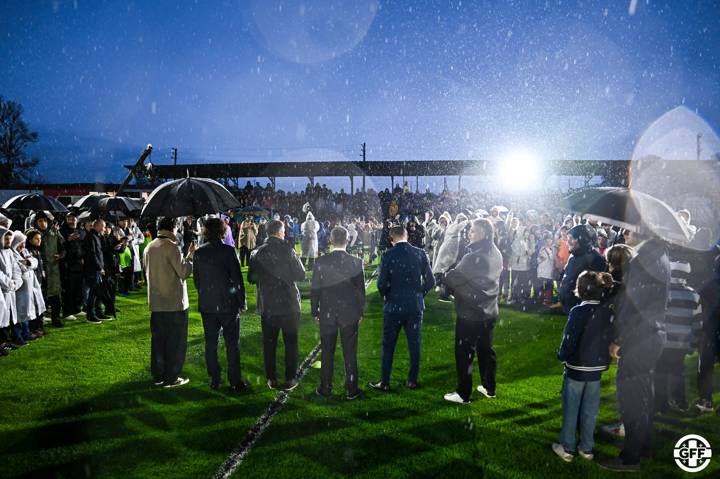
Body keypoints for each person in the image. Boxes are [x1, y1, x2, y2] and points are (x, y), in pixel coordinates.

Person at [599, 230, 670, 472]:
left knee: (632, 400)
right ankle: (644, 446)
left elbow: (637, 306)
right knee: (644, 396)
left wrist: (620, 339)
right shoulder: (656, 255)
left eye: (629, 229)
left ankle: (630, 457)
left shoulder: (645, 260)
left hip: (641, 337)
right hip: (651, 335)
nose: (625, 233)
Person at [552, 271, 614, 463]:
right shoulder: (606, 312)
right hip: (595, 370)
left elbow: (569, 340)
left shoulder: (577, 312)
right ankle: (587, 448)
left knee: (571, 409)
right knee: (590, 410)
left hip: (576, 369)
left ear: (579, 290)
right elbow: (608, 338)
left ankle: (568, 448)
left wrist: (562, 355)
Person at [442, 218, 502, 404]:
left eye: (473, 231)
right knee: (486, 351)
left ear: (483, 234)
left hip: (471, 314)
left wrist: (445, 276)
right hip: (489, 312)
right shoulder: (496, 252)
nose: (469, 233)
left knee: (465, 354)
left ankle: (463, 394)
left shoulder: (473, 257)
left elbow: (451, 278)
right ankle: (489, 387)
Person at [369, 225, 435, 392]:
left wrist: (387, 295)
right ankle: (412, 381)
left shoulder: (389, 255)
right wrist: (419, 294)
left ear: (392, 240)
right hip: (414, 306)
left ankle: (384, 382)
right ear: (407, 236)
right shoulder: (420, 253)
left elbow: (381, 284)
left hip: (393, 307)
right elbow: (430, 282)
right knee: (415, 344)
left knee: (388, 345)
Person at [248, 219, 306, 390]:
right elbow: (301, 274)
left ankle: (271, 379)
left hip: (269, 305)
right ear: (280, 232)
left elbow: (251, 278)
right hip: (288, 303)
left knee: (269, 343)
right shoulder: (288, 249)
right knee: (290, 342)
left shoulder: (257, 252)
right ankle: (290, 378)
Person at [193, 217, 249, 392]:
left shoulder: (199, 252)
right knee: (232, 344)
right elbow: (237, 279)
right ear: (222, 231)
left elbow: (197, 281)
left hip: (209, 304)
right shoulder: (228, 251)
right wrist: (242, 301)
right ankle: (234, 380)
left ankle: (214, 379)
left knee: (211, 344)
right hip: (227, 305)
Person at [311, 226, 365, 400]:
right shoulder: (356, 262)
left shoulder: (321, 261)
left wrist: (315, 311)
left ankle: (326, 388)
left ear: (330, 240)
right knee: (350, 353)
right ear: (347, 240)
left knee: (327, 352)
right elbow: (360, 292)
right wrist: (360, 313)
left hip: (327, 313)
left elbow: (315, 290)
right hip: (349, 314)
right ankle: (351, 389)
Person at [143, 217, 196, 388]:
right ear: (172, 228)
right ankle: (172, 377)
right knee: (176, 341)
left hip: (156, 303)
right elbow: (183, 272)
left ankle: (158, 375)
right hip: (173, 303)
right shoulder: (172, 247)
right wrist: (190, 257)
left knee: (158, 341)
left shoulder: (149, 247)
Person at [559, 224, 607, 314]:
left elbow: (596, 289)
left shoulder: (595, 258)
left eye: (571, 238)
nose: (567, 241)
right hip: (570, 307)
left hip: (583, 310)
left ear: (582, 239)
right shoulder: (574, 255)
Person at [11, 231, 45, 344]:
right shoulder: (12, 254)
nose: (22, 245)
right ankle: (20, 335)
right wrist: (27, 264)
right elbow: (20, 268)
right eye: (20, 243)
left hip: (29, 285)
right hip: (20, 288)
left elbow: (34, 262)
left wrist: (27, 263)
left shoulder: (25, 251)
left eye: (23, 243)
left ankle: (27, 332)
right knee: (20, 312)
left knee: (27, 311)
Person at [35, 211, 68, 327]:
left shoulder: (55, 232)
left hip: (53, 269)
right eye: (40, 221)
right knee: (39, 296)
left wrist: (61, 255)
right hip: (38, 270)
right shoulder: (33, 234)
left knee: (55, 296)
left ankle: (56, 318)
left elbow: (64, 246)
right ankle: (39, 320)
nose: (43, 223)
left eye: (44, 220)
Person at [83, 219, 110, 324]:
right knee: (93, 293)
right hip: (93, 270)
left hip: (96, 269)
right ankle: (90, 315)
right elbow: (92, 254)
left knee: (98, 293)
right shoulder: (91, 237)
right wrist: (100, 268)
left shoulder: (96, 236)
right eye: (103, 227)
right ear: (98, 226)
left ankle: (98, 313)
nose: (104, 229)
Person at [0, 227, 22, 349]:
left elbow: (16, 269)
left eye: (10, 239)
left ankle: (5, 341)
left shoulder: (9, 252)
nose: (8, 242)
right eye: (6, 239)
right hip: (3, 289)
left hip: (10, 290)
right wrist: (9, 283)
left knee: (7, 317)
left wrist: (16, 283)